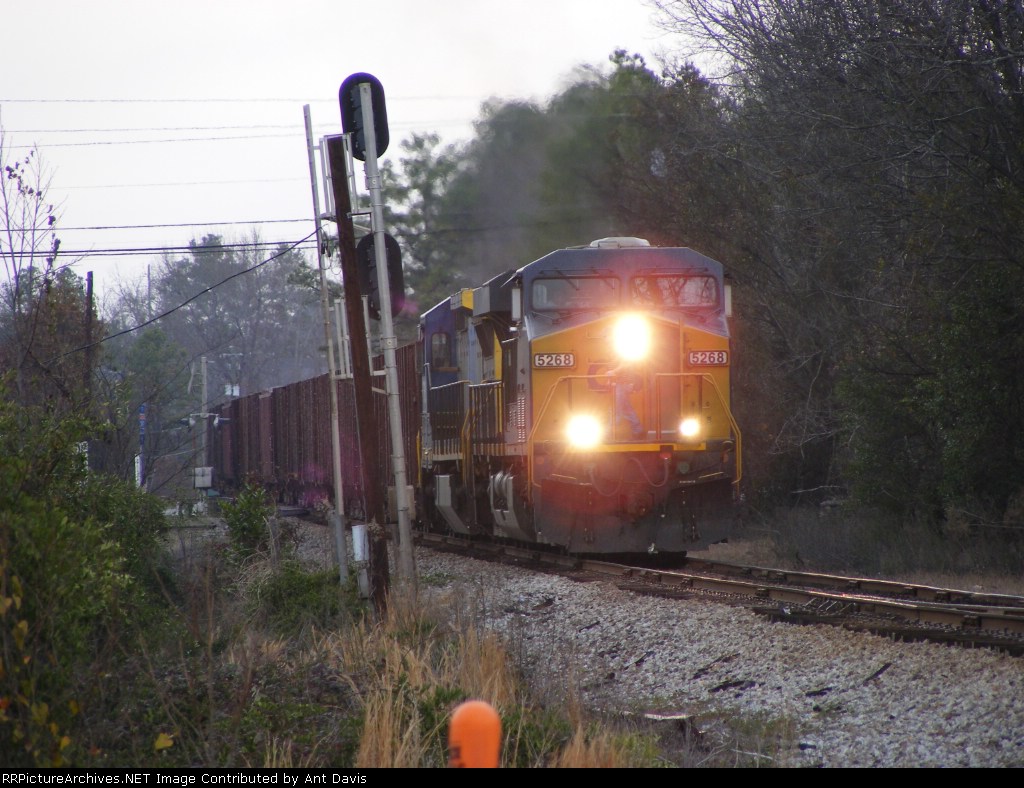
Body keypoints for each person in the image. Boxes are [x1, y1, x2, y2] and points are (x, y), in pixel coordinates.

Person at [606, 360, 644, 439]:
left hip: (622, 385)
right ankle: (638, 430)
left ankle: (609, 434)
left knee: (616, 411)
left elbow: (625, 364)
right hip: (622, 384)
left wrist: (613, 372)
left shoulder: (623, 353)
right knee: (627, 409)